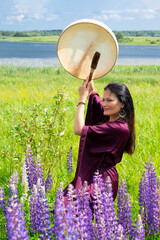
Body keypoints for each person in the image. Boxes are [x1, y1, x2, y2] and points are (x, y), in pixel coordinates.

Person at [63, 78, 135, 208]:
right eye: (104, 99)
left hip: (103, 180)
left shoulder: (118, 128)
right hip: (95, 175)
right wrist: (91, 90)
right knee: (68, 208)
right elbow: (97, 104)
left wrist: (81, 99)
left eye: (110, 100)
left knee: (75, 209)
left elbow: (78, 129)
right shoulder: (111, 119)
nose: (104, 104)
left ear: (122, 104)